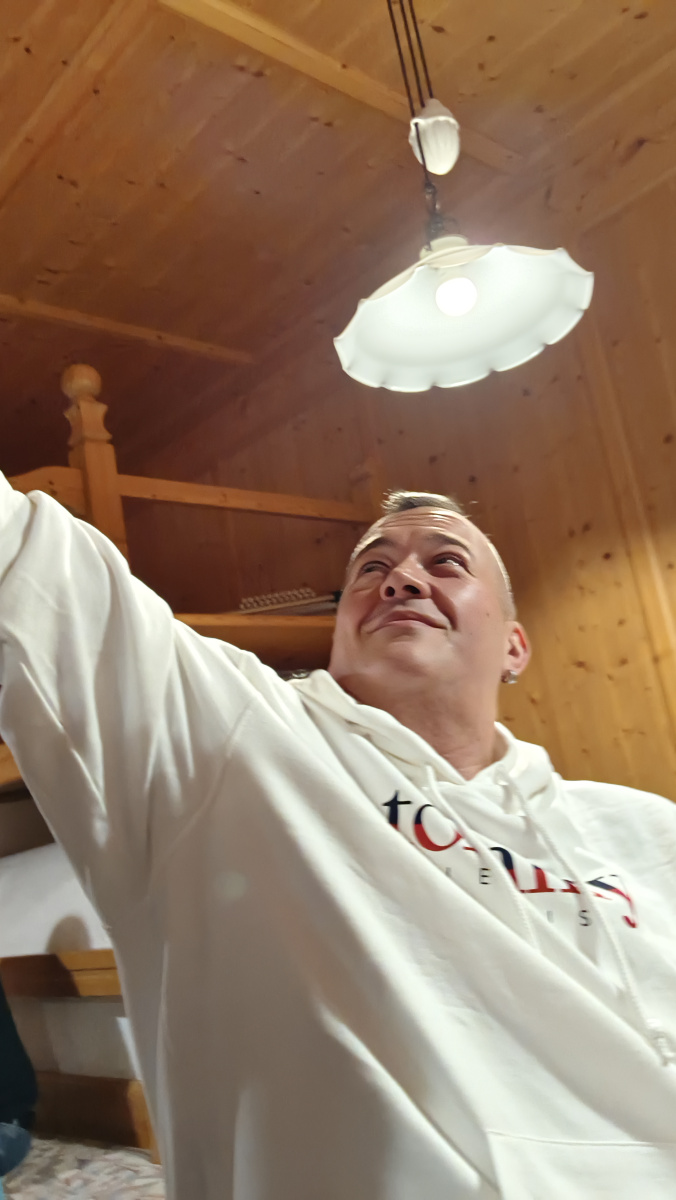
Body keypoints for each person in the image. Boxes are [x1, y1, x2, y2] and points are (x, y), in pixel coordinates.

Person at [0, 474, 674, 1200]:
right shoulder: (237, 739)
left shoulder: (643, 826)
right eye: (371, 569)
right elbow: (33, 566)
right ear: (339, 631)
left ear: (514, 647)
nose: (400, 580)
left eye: (446, 562)